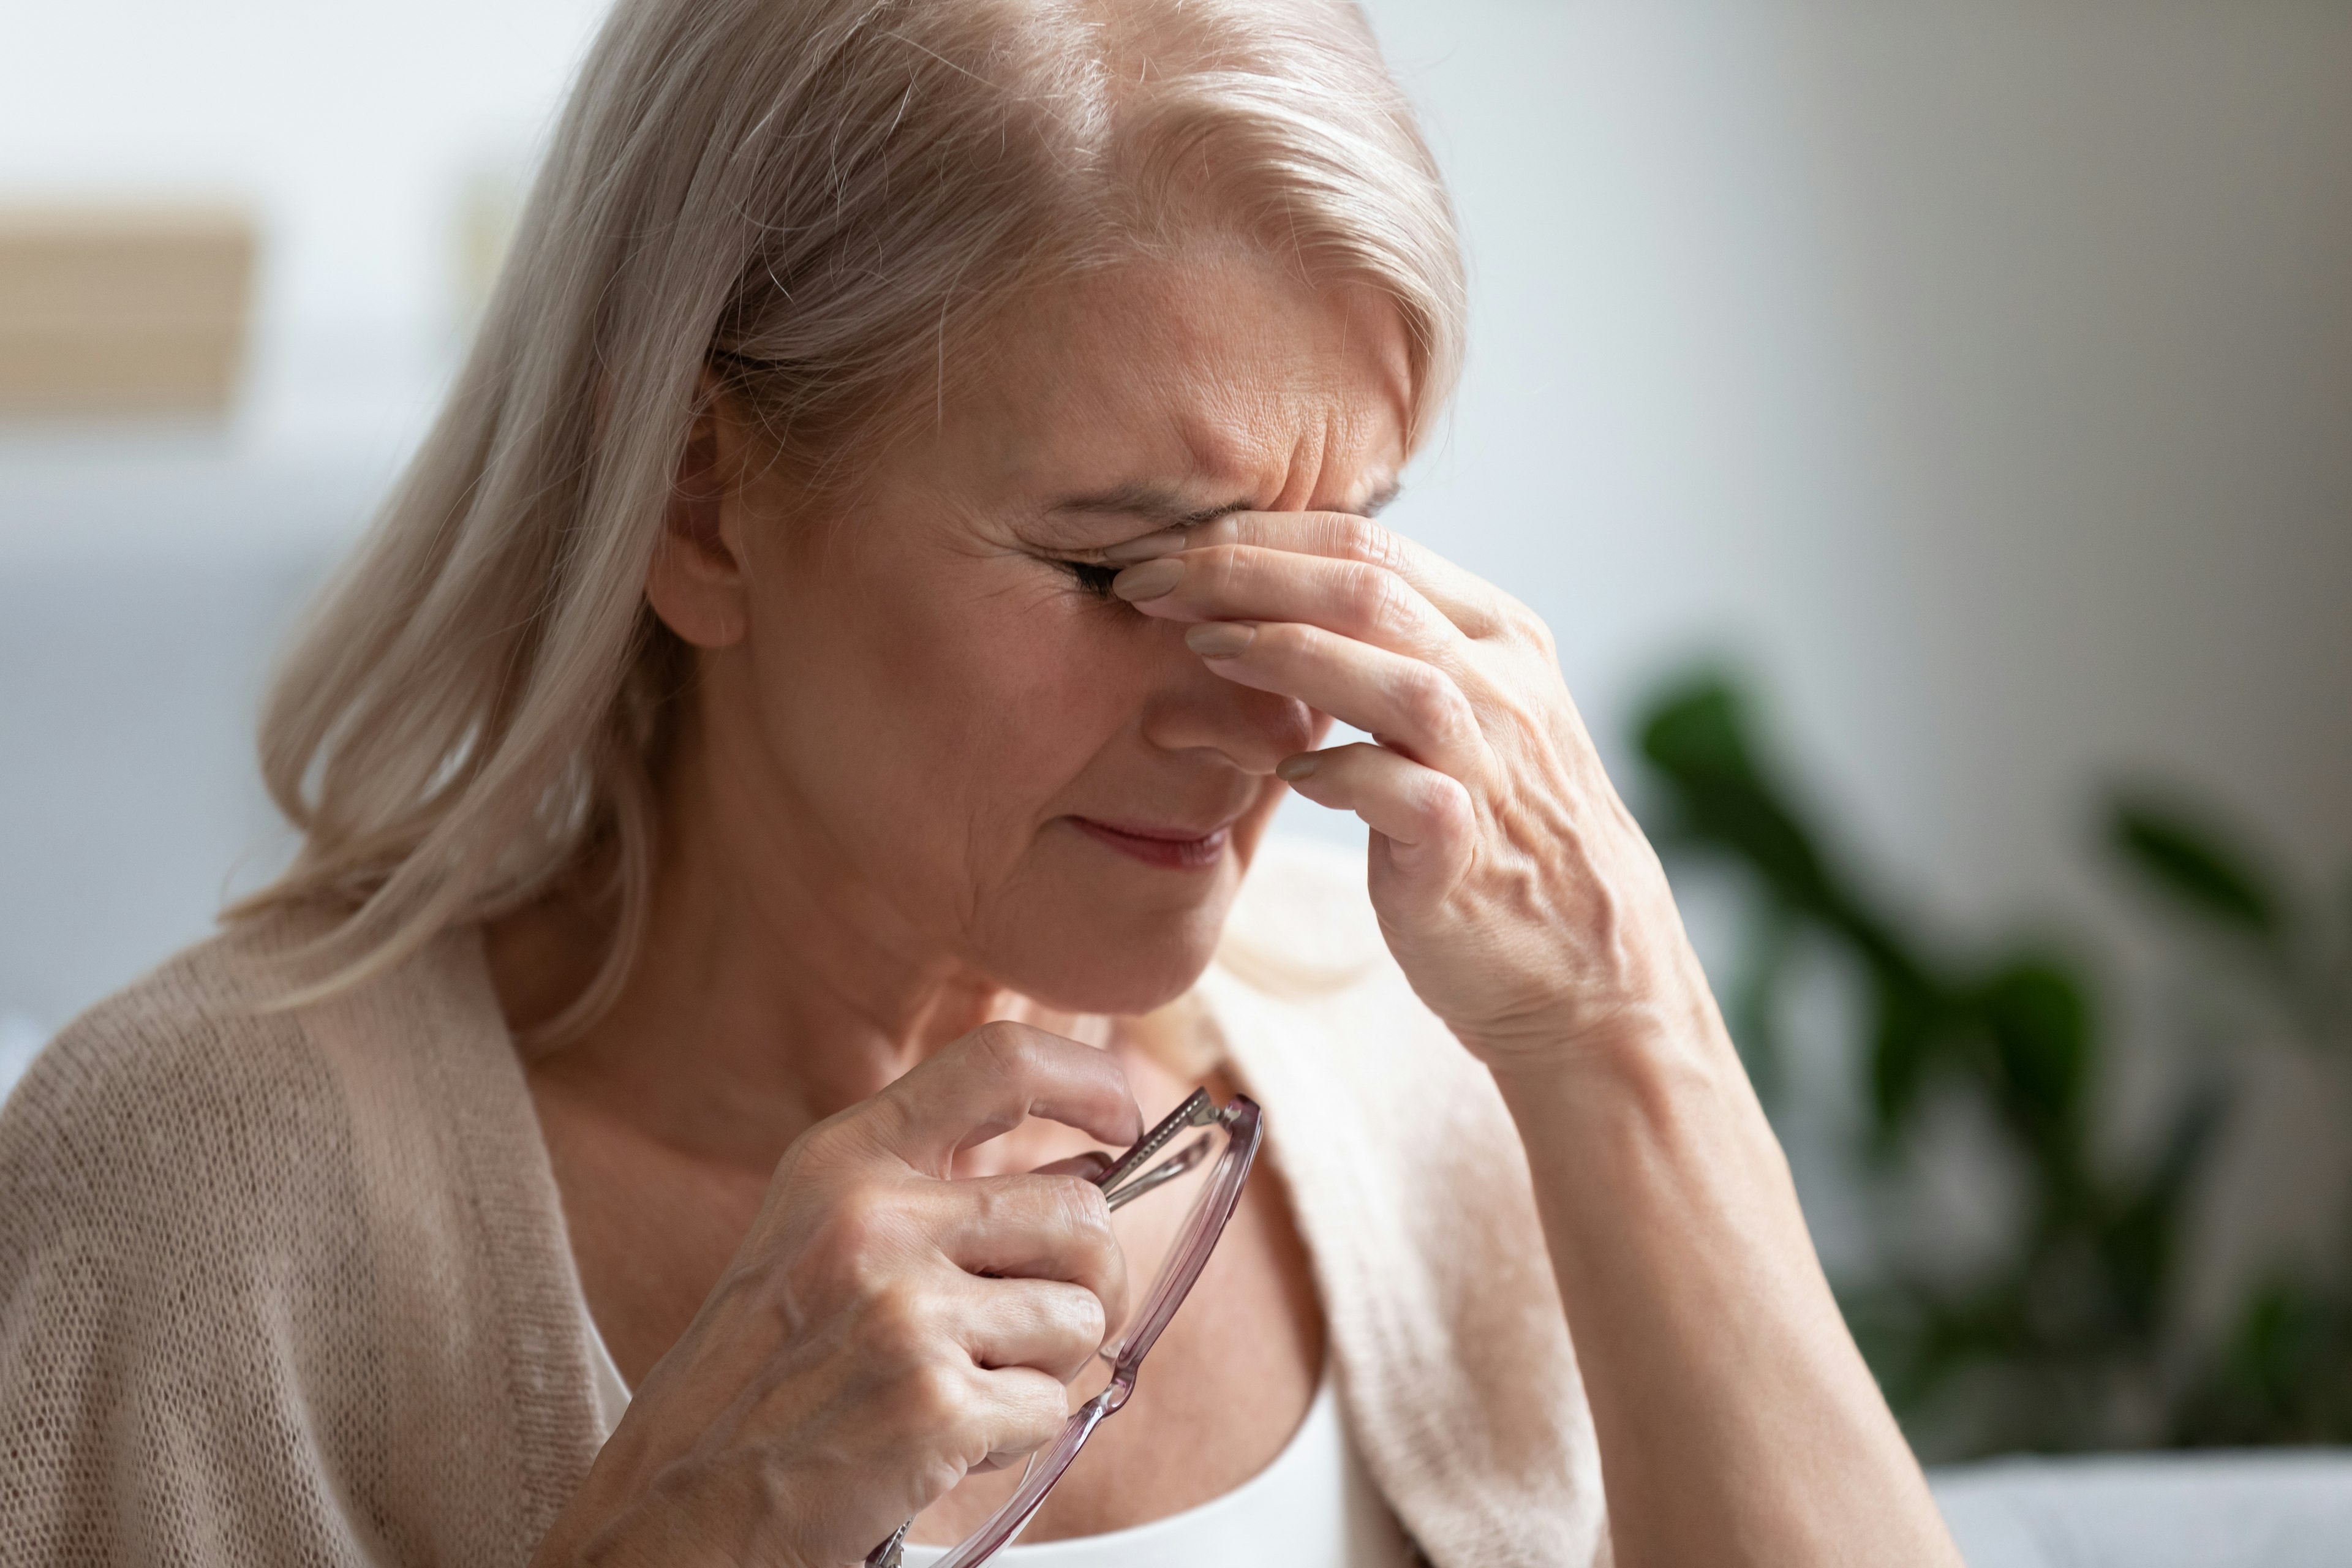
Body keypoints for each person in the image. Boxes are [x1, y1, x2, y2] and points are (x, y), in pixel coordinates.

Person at [0, 0, 1964, 1564]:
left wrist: (1627, 1036)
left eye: (1330, 557)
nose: (1264, 709)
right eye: (1124, 569)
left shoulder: (1437, 1080)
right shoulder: (192, 1211)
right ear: (704, 500)